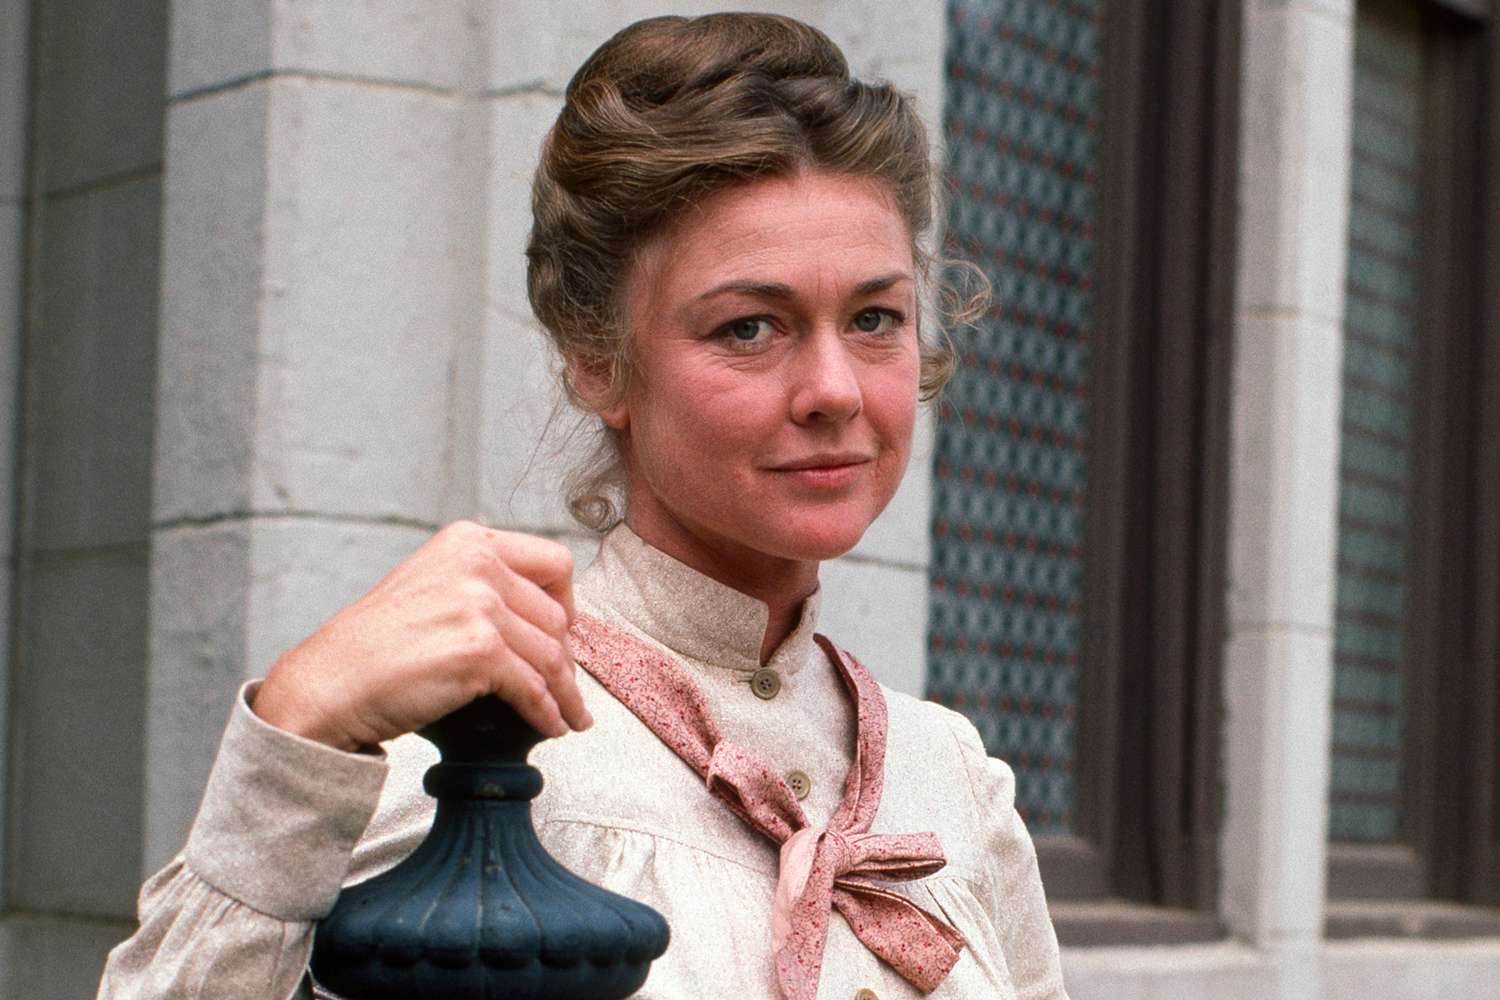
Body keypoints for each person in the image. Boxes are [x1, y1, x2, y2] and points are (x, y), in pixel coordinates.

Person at [98, 13, 1069, 1000]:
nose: (834, 389)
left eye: (873, 318)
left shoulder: (953, 779)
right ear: (597, 359)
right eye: (750, 327)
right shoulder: (470, 748)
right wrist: (299, 726)